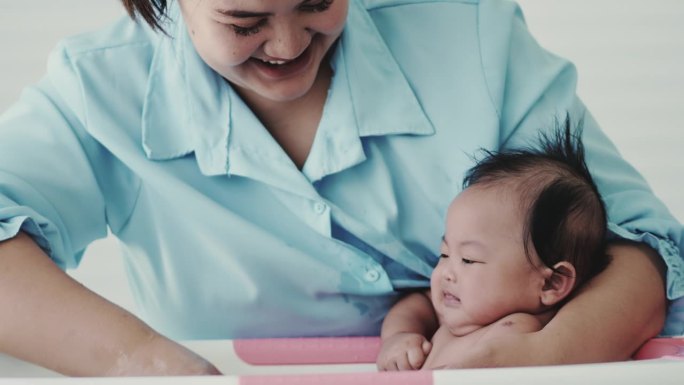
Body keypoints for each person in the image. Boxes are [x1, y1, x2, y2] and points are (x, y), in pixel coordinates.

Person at [0, 0, 681, 376]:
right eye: (245, 21)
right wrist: (137, 358)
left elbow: (646, 253)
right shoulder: (98, 91)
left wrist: (537, 358)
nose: (289, 43)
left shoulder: (471, 35)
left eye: (318, 1)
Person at [376, 118, 611, 370]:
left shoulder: (516, 334)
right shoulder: (453, 311)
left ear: (550, 283)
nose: (446, 273)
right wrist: (397, 337)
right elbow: (414, 306)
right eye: (444, 254)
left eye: (468, 259)